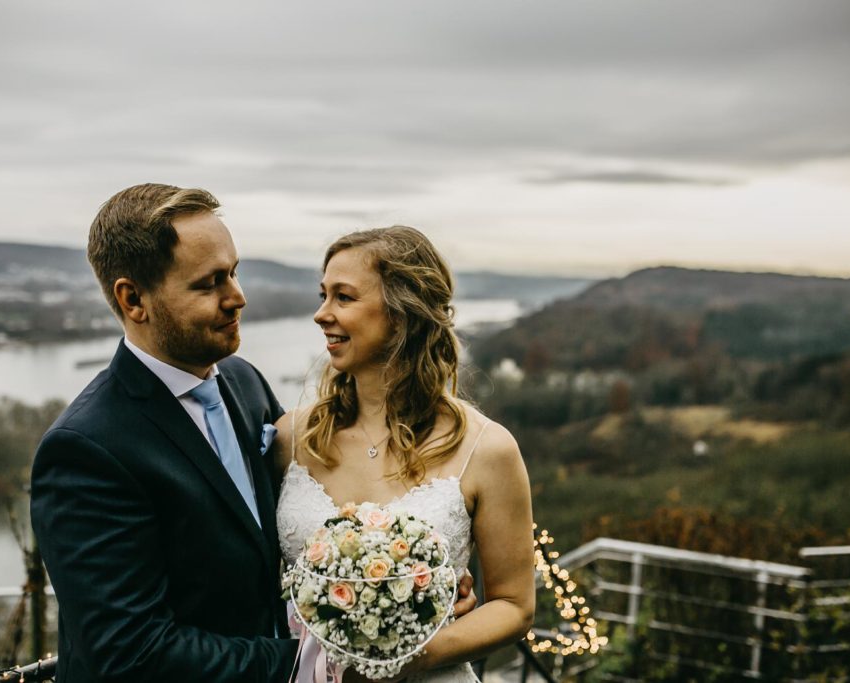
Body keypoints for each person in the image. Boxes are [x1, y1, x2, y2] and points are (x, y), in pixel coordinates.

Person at [30, 183, 298, 681]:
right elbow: (133, 653)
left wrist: (415, 588)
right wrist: (305, 668)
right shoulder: (84, 450)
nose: (237, 297)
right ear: (134, 299)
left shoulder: (245, 381)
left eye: (234, 273)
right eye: (209, 283)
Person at [274, 226, 535, 682]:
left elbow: (515, 606)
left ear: (401, 313)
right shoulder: (291, 437)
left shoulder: (487, 449)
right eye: (323, 295)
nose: (321, 314)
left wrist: (413, 657)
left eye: (344, 298)